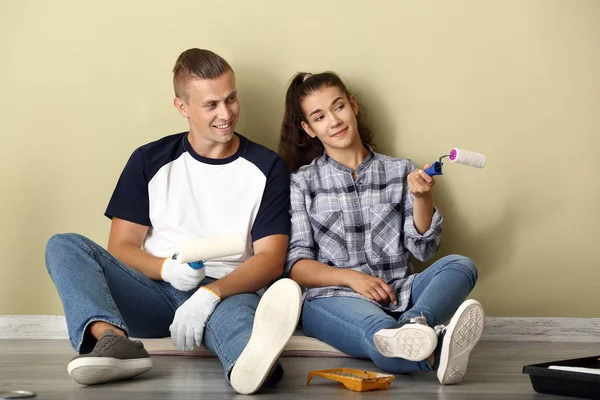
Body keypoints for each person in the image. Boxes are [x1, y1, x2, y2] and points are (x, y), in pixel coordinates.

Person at [45, 48, 301, 395]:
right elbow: (120, 247)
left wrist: (209, 294)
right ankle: (114, 343)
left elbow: (270, 259)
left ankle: (251, 361)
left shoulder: (266, 167)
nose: (226, 114)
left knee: (239, 330)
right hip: (152, 290)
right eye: (211, 105)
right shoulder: (149, 160)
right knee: (64, 245)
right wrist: (166, 269)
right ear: (183, 107)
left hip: (228, 290)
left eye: (231, 99)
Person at [278, 71, 484, 385]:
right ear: (309, 129)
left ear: (353, 105)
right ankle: (435, 347)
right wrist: (352, 278)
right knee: (379, 335)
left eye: (339, 107)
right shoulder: (301, 183)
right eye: (320, 117)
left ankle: (418, 324)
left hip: (401, 290)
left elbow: (424, 249)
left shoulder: (400, 169)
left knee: (461, 266)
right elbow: (297, 267)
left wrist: (423, 197)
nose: (334, 121)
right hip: (332, 298)